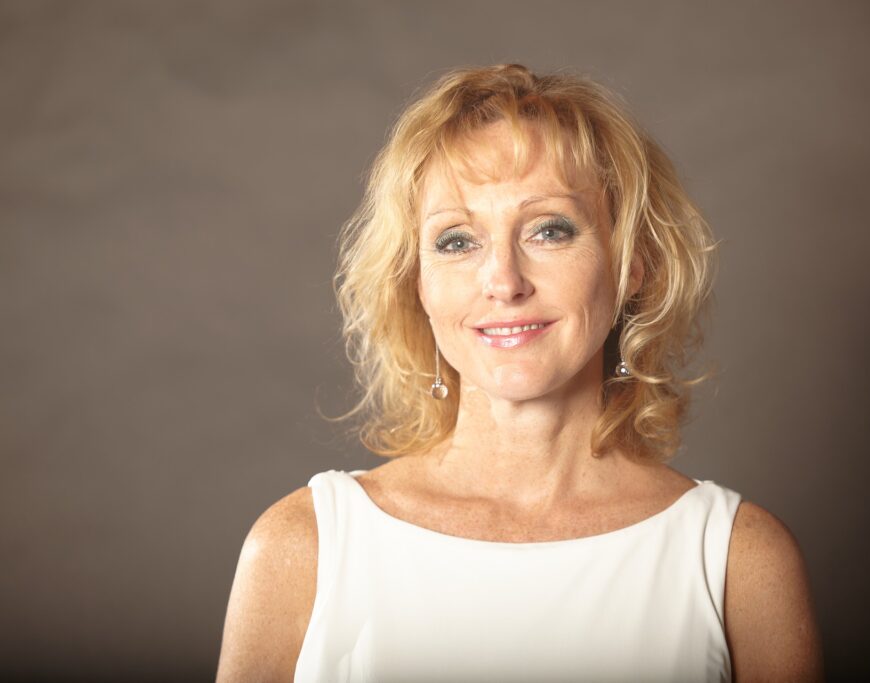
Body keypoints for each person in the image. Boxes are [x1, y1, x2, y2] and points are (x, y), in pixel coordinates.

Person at [216, 64, 824, 683]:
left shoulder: (739, 563)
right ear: (416, 281)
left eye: (550, 230)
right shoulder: (302, 548)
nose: (504, 282)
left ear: (630, 266)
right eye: (456, 241)